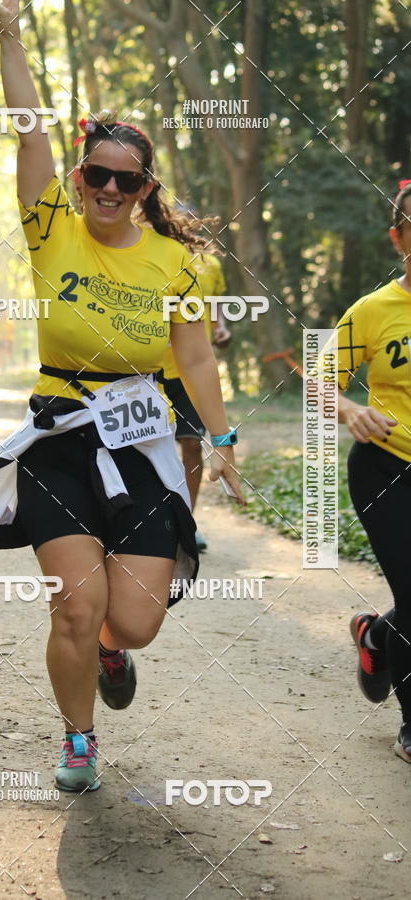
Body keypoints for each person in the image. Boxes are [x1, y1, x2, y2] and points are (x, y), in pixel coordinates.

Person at [0, 0, 244, 794]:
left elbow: (194, 357)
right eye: (96, 175)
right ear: (81, 179)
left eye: (125, 179)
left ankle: (111, 651)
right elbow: (30, 130)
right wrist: (9, 32)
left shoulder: (179, 267)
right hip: (60, 437)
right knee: (75, 607)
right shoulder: (50, 228)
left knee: (133, 621)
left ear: (144, 189)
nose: (108, 187)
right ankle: (79, 740)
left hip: (139, 436)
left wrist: (221, 438)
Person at [340, 179, 411, 762]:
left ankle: (376, 634)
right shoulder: (373, 310)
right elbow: (320, 375)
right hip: (386, 466)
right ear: (398, 236)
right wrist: (349, 408)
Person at [160, 251, 232, 550]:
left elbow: (215, 306)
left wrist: (220, 327)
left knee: (191, 444)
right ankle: (153, 520)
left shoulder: (210, 265)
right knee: (149, 447)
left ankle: (186, 522)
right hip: (151, 371)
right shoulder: (152, 255)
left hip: (191, 373)